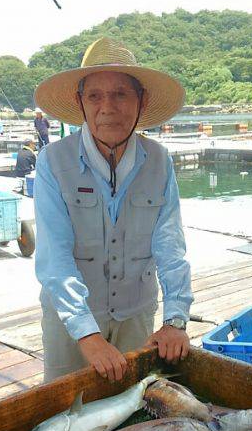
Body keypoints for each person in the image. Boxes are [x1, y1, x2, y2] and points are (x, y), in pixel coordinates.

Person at [34, 36, 193, 383]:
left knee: (133, 401)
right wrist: (86, 335)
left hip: (135, 312)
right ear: (80, 102)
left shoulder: (159, 161)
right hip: (70, 319)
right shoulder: (52, 161)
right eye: (95, 95)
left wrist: (176, 319)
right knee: (63, 409)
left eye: (121, 93)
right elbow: (53, 256)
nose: (108, 107)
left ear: (141, 100)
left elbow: (170, 244)